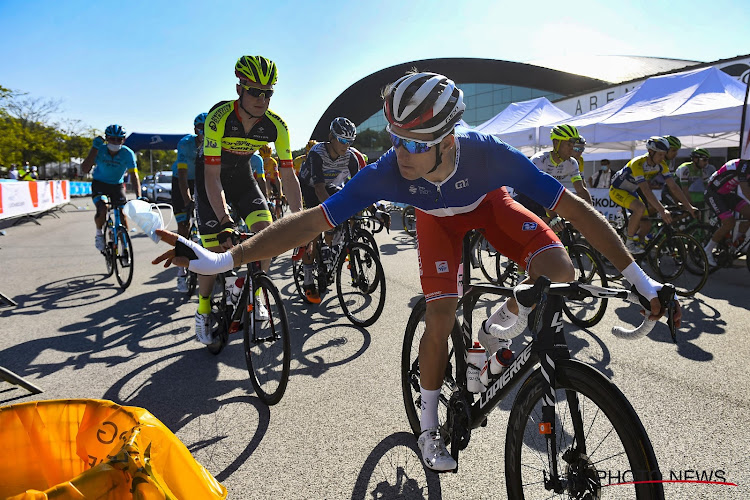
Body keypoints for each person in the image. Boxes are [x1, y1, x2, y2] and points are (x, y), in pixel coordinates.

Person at [153, 71, 681, 472]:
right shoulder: (389, 171)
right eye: (394, 138)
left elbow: (574, 210)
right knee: (440, 316)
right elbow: (308, 222)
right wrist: (224, 259)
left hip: (487, 202)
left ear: (449, 140)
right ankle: (429, 426)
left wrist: (642, 281)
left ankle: (497, 330)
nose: (400, 154)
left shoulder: (489, 155)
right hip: (435, 223)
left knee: (560, 270)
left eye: (414, 144)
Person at [191, 54, 303, 344]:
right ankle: (203, 308)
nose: (261, 99)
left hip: (242, 177)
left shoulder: (276, 125)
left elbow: (288, 175)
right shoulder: (220, 117)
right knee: (214, 252)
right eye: (255, 91)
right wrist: (225, 220)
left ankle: (258, 295)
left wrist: (301, 217)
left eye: (268, 93)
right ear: (239, 88)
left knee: (266, 236)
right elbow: (212, 177)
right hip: (211, 176)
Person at [297, 117, 366, 303]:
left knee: (341, 215)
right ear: (331, 137)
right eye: (342, 140)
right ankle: (309, 281)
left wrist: (370, 205)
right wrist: (334, 213)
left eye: (350, 141)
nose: (346, 145)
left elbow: (359, 185)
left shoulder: (350, 156)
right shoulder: (317, 153)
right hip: (310, 187)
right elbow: (318, 189)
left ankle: (330, 251)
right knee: (313, 232)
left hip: (330, 185)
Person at [609, 137, 696, 254]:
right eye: (660, 155)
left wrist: (689, 207)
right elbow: (645, 190)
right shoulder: (637, 163)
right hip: (617, 190)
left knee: (647, 225)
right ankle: (629, 243)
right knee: (640, 208)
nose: (662, 158)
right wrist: (662, 210)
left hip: (631, 191)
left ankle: (635, 251)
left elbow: (674, 186)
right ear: (651, 152)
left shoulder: (661, 165)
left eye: (664, 155)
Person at [515, 124, 592, 233]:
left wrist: (591, 214)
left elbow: (581, 190)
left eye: (573, 144)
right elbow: (540, 193)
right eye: (568, 144)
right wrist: (553, 217)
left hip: (547, 196)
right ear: (556, 143)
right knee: (544, 225)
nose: (572, 149)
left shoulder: (572, 163)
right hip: (527, 195)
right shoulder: (539, 160)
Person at [81, 124, 141, 251]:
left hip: (117, 185)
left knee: (122, 213)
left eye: (119, 139)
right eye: (112, 139)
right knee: (103, 207)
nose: (115, 142)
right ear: (107, 138)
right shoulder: (100, 150)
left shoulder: (128, 153)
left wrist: (139, 196)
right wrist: (94, 149)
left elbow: (134, 175)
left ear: (123, 140)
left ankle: (125, 244)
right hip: (100, 184)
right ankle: (99, 234)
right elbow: (85, 169)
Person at [172, 112, 206, 293]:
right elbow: (183, 177)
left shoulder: (213, 144)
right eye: (202, 128)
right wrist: (188, 200)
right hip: (181, 181)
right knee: (183, 226)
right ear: (195, 129)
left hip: (200, 181)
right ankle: (181, 272)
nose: (205, 132)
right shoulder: (185, 144)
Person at [703, 158, 750, 267]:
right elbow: (745, 190)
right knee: (729, 222)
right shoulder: (744, 166)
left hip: (726, 194)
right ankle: (708, 250)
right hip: (713, 193)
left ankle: (735, 245)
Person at [671, 148, 715, 213]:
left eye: (707, 160)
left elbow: (708, 186)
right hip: (671, 191)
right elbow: (684, 189)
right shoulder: (685, 168)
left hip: (679, 192)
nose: (706, 163)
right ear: (695, 159)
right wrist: (690, 205)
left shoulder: (701, 170)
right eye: (704, 160)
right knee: (683, 211)